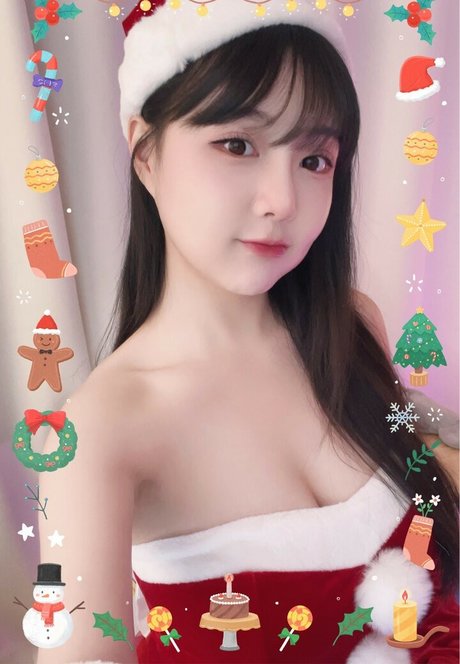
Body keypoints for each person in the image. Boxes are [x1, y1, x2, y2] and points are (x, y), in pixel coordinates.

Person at [36, 2, 459, 663]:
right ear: (145, 151)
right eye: (238, 145)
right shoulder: (96, 438)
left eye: (314, 159)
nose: (282, 201)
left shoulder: (351, 325)